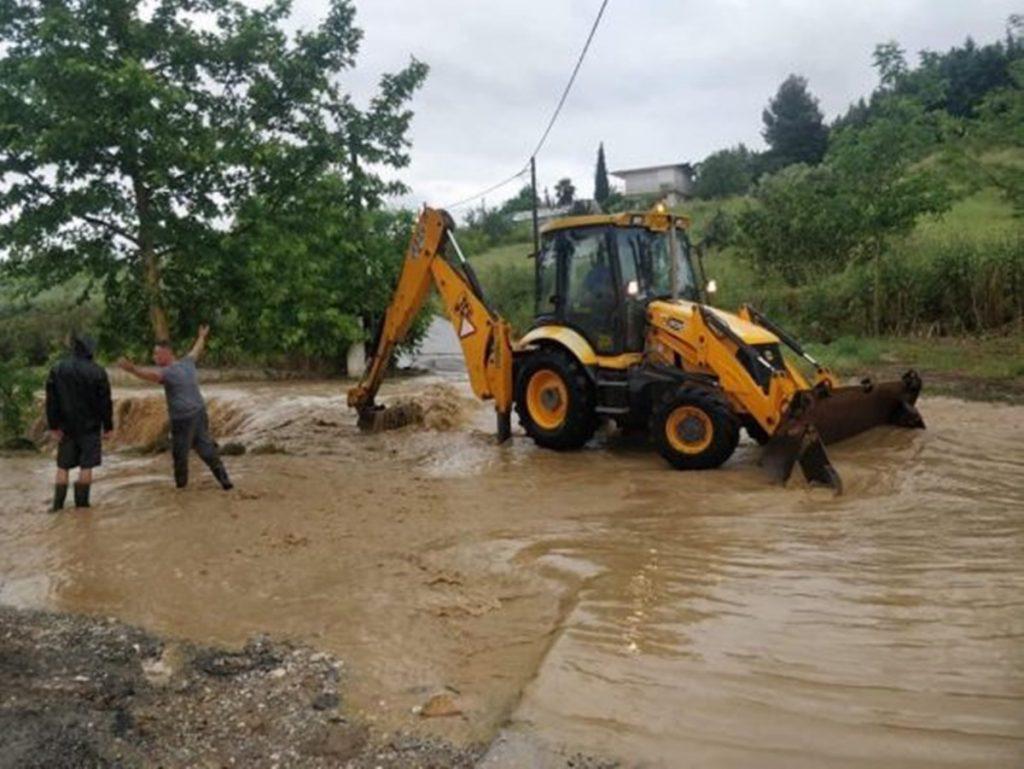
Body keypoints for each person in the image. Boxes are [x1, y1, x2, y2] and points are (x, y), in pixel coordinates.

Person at [118, 325, 233, 491]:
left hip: (183, 419)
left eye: (156, 353)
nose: (154, 357)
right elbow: (196, 350)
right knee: (206, 448)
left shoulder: (168, 372)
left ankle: (181, 489)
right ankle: (225, 482)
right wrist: (201, 336)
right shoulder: (188, 363)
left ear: (167, 353)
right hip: (200, 413)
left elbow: (152, 376)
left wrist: (133, 369)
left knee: (180, 454)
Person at [45, 335, 114, 511]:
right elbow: (105, 402)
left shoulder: (58, 369)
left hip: (65, 427)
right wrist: (108, 427)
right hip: (90, 427)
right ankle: (82, 507)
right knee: (86, 465)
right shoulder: (98, 371)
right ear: (91, 350)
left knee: (63, 466)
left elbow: (51, 401)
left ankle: (57, 506)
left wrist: (53, 426)